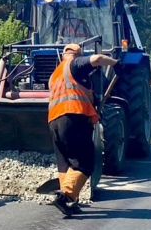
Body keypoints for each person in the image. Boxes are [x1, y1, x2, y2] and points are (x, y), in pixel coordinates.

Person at [48, 42, 119, 216]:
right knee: (85, 163)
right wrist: (116, 64)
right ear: (77, 55)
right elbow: (98, 58)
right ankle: (65, 196)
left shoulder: (55, 75)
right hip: (72, 117)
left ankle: (71, 201)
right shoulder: (75, 64)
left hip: (53, 121)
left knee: (66, 163)